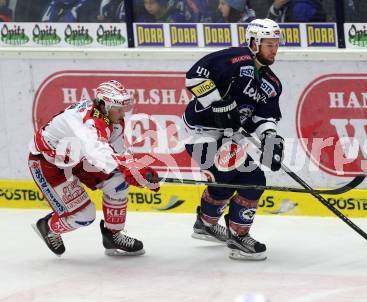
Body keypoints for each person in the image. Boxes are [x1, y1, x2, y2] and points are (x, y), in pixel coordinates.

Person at [182, 19, 284, 261]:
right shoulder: (235, 58)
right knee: (239, 179)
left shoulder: (272, 83)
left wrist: (270, 136)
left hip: (228, 135)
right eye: (269, 44)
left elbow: (263, 116)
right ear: (253, 42)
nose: (274, 49)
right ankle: (235, 236)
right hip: (202, 130)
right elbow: (195, 76)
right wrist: (216, 103)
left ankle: (207, 224)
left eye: (276, 44)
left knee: (241, 179)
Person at [28, 80, 160, 257]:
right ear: (104, 105)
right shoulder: (86, 121)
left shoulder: (112, 118)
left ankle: (113, 235)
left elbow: (117, 152)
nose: (123, 113)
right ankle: (48, 227)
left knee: (118, 182)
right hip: (48, 164)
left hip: (78, 159)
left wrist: (134, 169)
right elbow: (98, 153)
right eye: (118, 108)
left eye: (124, 108)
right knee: (84, 216)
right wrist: (129, 168)